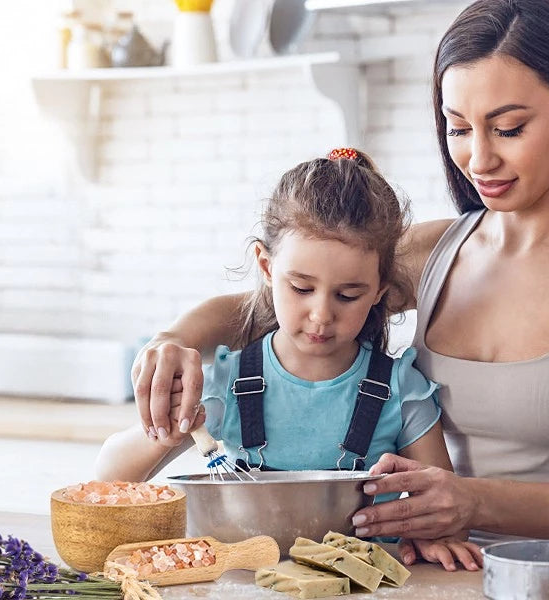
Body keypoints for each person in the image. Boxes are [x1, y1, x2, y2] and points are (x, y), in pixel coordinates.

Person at [126, 0, 549, 566]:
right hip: (430, 573)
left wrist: (475, 501)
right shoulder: (435, 252)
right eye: (458, 128)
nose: (478, 159)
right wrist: (171, 340)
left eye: (508, 128)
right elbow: (284, 298)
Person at [96, 148, 484, 571]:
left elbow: (444, 508)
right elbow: (108, 476)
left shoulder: (399, 388)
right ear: (265, 266)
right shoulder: (230, 381)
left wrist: (437, 537)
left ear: (379, 290)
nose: (321, 315)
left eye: (348, 295)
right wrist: (165, 431)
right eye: (301, 288)